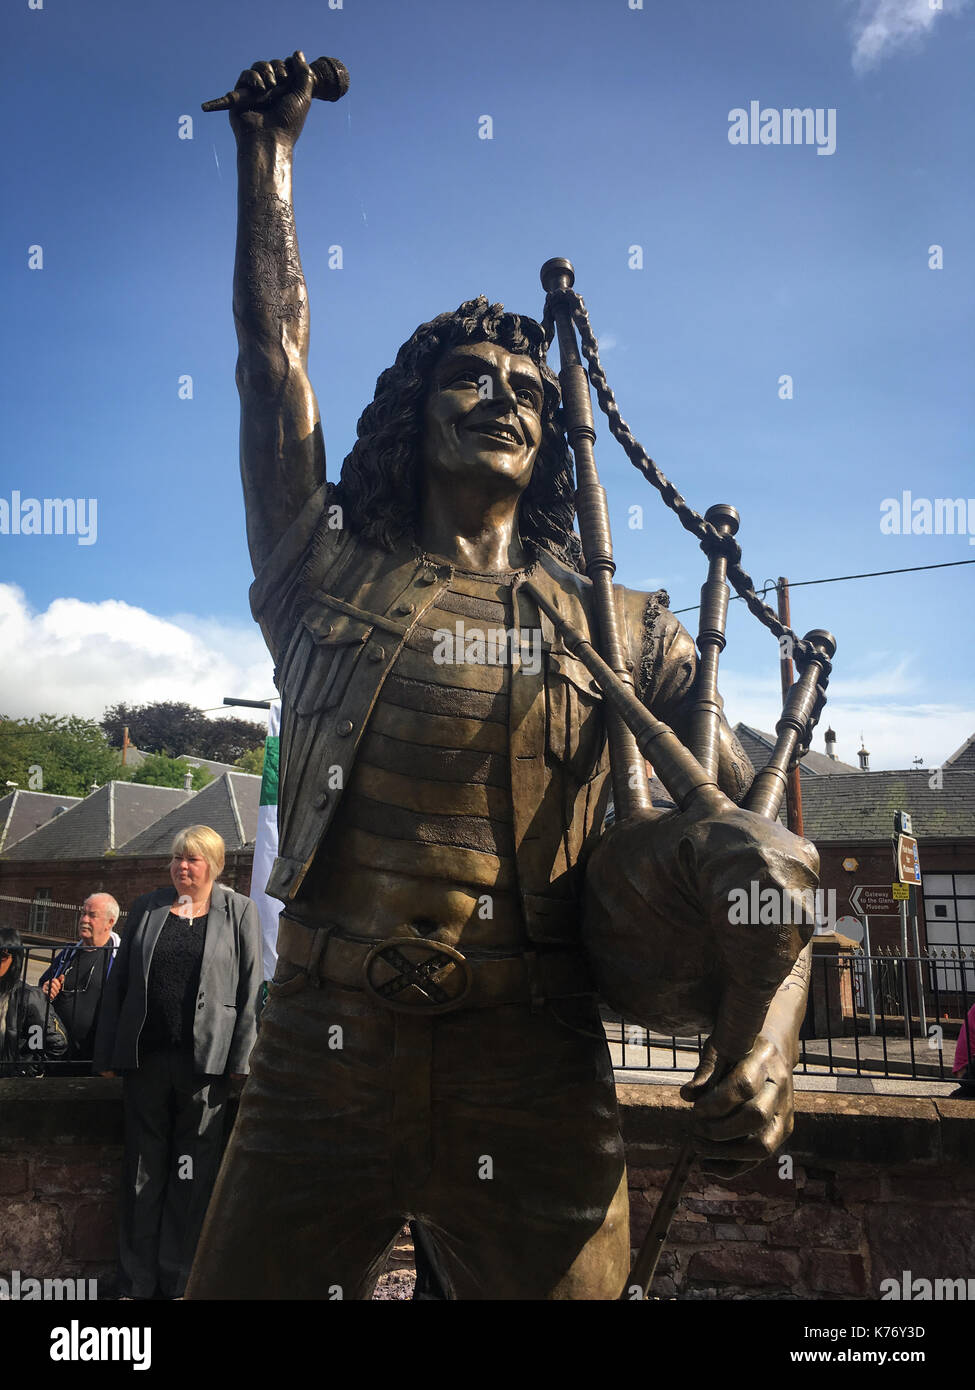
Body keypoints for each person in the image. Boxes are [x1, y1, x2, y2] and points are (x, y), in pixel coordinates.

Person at [186, 53, 816, 1301]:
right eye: (472, 378)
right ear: (413, 413)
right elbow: (273, 365)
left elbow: (761, 850)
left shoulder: (625, 624)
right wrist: (269, 163)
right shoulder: (320, 567)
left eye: (531, 388)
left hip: (534, 1069)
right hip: (321, 1056)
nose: (508, 401)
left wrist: (774, 1035)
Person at [92, 827, 262, 1300]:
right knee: (142, 1172)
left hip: (204, 1066)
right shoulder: (147, 907)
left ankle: (178, 1279)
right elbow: (119, 985)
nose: (182, 867)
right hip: (147, 1062)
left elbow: (250, 989)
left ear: (213, 864)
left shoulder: (239, 911)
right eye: (176, 859)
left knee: (192, 1174)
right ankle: (136, 1281)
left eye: (192, 860)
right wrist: (108, 1054)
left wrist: (242, 1059)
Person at [40, 893, 120, 1072]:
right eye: (83, 913)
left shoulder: (120, 958)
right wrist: (46, 988)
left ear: (110, 922)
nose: (84, 919)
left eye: (92, 915)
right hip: (58, 1054)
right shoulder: (68, 954)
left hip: (96, 1059)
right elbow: (42, 986)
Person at [0, 927, 69, 1076]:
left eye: (2, 956)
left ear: (14, 960)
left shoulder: (29, 999)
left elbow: (55, 1043)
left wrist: (26, 1070)